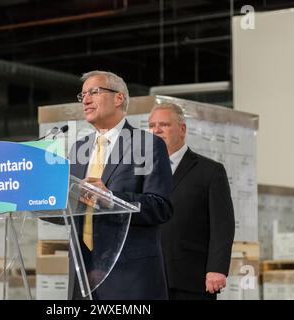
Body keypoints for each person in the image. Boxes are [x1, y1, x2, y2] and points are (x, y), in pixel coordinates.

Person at [68, 70, 173, 299]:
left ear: (118, 98)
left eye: (94, 92)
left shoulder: (147, 144)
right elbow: (68, 207)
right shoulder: (78, 149)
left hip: (128, 278)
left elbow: (161, 206)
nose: (85, 100)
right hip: (82, 276)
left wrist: (112, 198)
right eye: (83, 94)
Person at [148, 102, 235, 300]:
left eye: (164, 125)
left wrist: (217, 268)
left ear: (183, 129)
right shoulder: (142, 172)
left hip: (191, 278)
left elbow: (223, 225)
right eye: (152, 125)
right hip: (149, 277)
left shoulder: (210, 171)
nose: (157, 130)